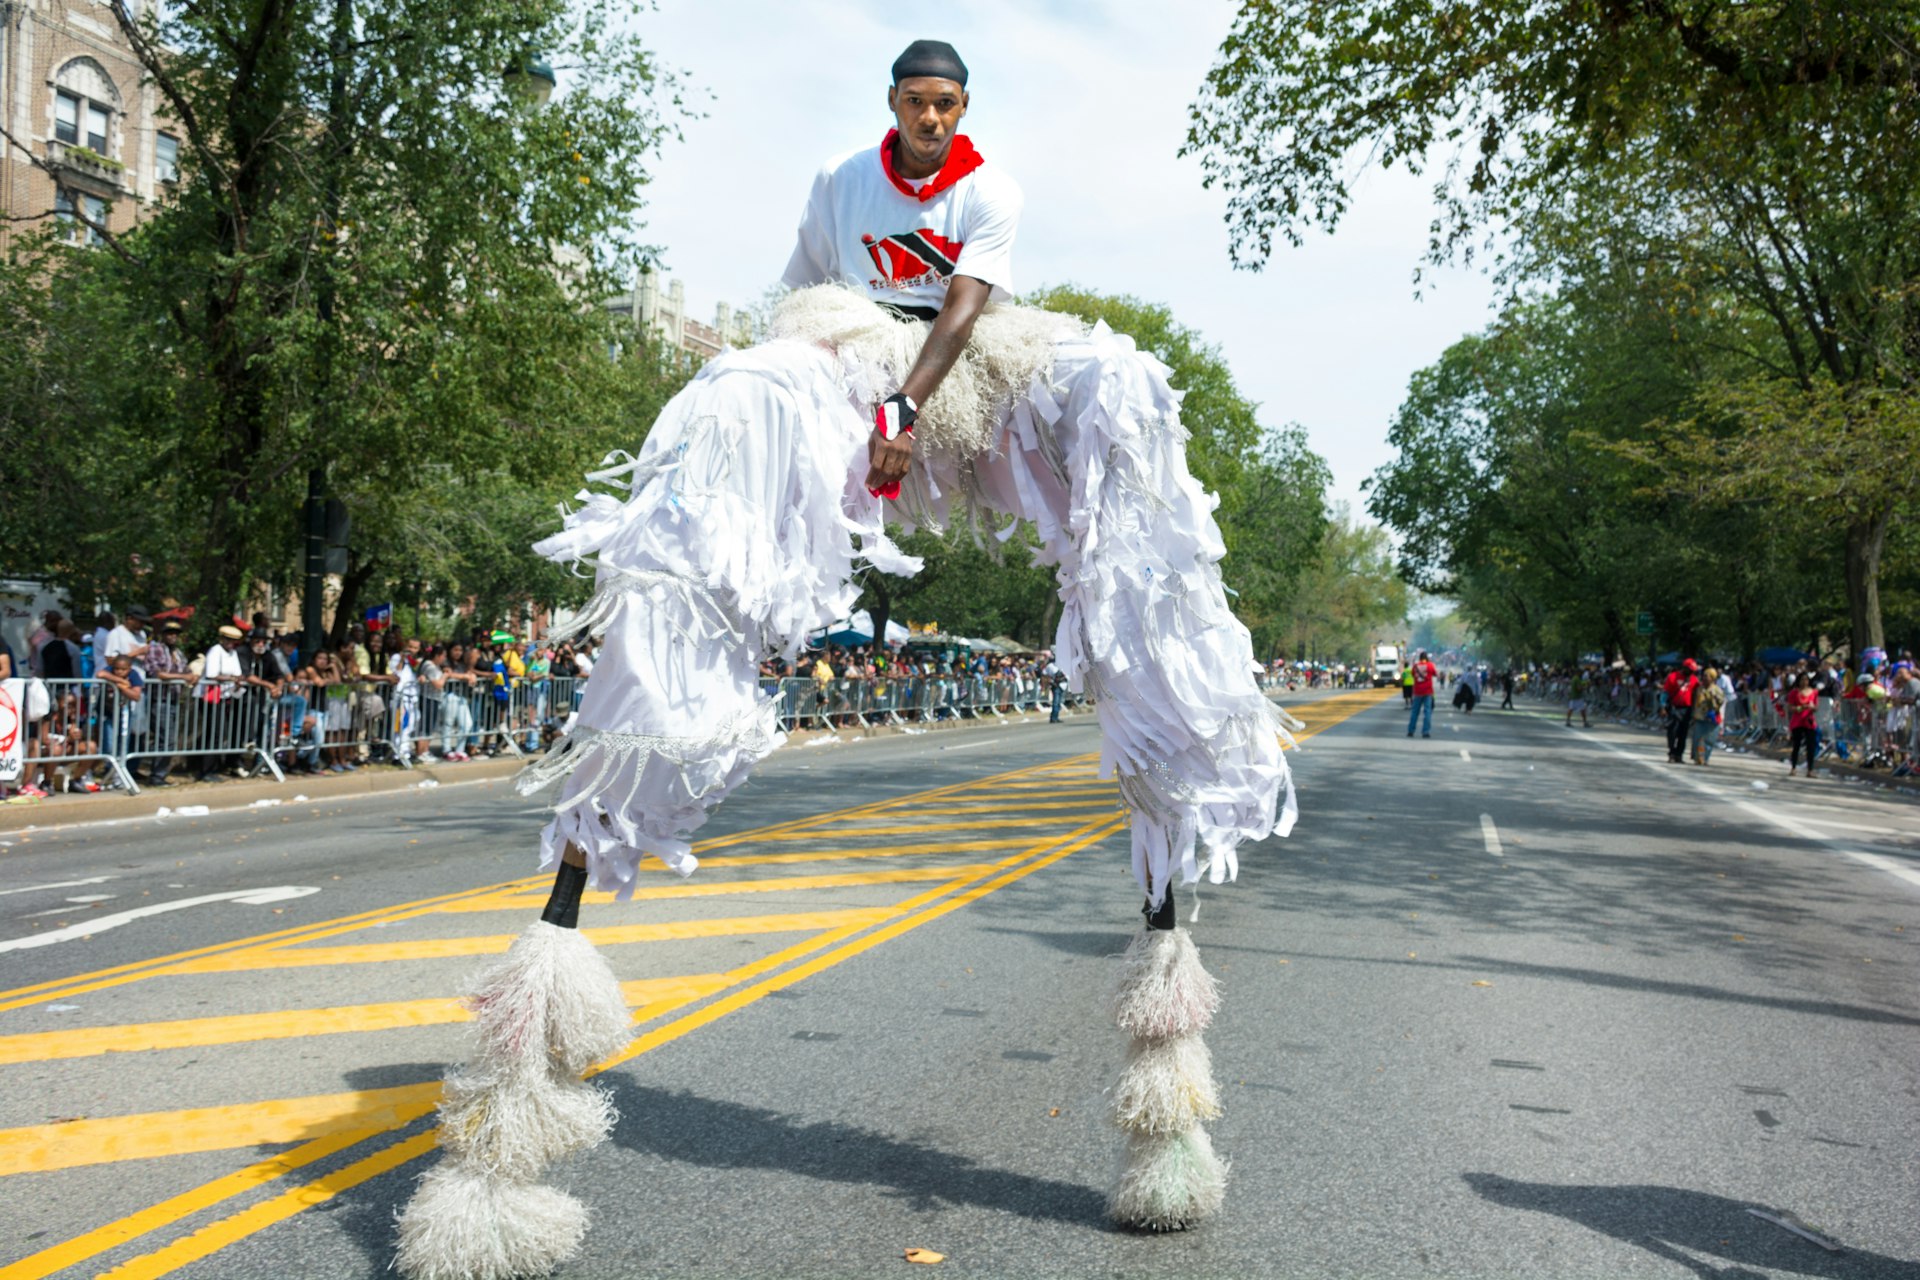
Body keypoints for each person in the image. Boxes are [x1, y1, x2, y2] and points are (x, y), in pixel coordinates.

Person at [394, 41, 1295, 1275]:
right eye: (916, 103)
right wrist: (826, 402)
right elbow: (796, 307)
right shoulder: (839, 186)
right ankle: (573, 909)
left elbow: (970, 312)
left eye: (948, 104)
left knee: (1127, 388)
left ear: (961, 111)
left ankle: (1169, 1023)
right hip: (857, 358)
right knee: (729, 402)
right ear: (891, 108)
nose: (931, 118)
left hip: (961, 376)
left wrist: (904, 417)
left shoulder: (991, 191)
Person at [1663, 659, 1700, 763]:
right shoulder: (1672, 677)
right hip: (1674, 708)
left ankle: (1679, 754)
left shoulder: (1694, 680)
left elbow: (1698, 693)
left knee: (1683, 734)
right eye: (1690, 670)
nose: (1692, 672)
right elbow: (1665, 693)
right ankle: (1672, 753)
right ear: (1684, 668)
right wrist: (1662, 706)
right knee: (1672, 732)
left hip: (1687, 710)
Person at [1690, 666, 1726, 765]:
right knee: (1697, 739)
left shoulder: (1717, 690)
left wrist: (1712, 700)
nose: (1705, 678)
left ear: (1713, 678)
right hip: (1700, 717)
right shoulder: (1699, 689)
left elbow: (1720, 702)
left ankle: (1705, 758)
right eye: (1704, 676)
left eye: (1707, 676)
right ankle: (1697, 758)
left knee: (1709, 740)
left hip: (1712, 718)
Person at [1786, 672, 1819, 777]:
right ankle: (1793, 767)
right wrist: (1800, 708)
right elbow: (1790, 707)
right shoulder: (1794, 693)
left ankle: (1810, 770)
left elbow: (1816, 707)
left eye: (1806, 679)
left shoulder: (1814, 692)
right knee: (1796, 745)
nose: (1804, 682)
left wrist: (1812, 707)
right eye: (1802, 679)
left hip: (1809, 721)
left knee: (1811, 746)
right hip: (1797, 721)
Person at [1406, 650, 1438, 738]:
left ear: (1420, 658)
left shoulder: (1416, 666)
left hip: (1417, 692)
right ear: (1426, 657)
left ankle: (1411, 731)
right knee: (1427, 712)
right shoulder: (1430, 665)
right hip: (1428, 692)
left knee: (1414, 712)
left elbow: (1413, 674)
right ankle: (1425, 732)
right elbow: (1435, 674)